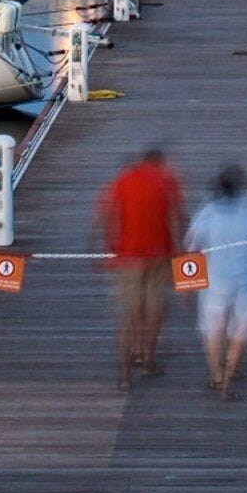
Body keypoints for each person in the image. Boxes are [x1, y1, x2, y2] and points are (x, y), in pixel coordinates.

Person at [98, 145, 184, 387]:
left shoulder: (121, 182)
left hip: (128, 258)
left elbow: (105, 216)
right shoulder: (165, 181)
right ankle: (148, 363)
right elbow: (178, 216)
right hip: (158, 256)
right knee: (155, 312)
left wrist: (107, 246)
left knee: (128, 316)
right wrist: (181, 250)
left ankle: (125, 374)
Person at [184, 167, 247, 398]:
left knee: (213, 332)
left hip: (215, 285)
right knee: (240, 332)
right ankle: (231, 375)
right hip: (246, 283)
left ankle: (217, 376)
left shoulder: (206, 218)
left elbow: (192, 253)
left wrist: (188, 289)